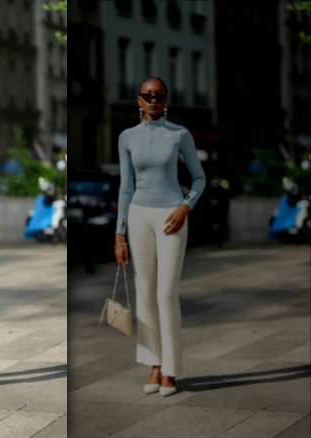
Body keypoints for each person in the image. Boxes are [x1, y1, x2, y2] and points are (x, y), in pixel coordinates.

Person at [114, 76, 205, 397]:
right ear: (138, 100)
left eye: (159, 95)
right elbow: (125, 188)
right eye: (147, 95)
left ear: (167, 100)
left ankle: (171, 370)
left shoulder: (180, 135)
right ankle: (153, 365)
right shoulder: (127, 137)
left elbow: (199, 178)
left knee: (166, 294)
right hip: (138, 216)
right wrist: (119, 234)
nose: (153, 100)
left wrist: (185, 208)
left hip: (172, 217)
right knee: (146, 294)